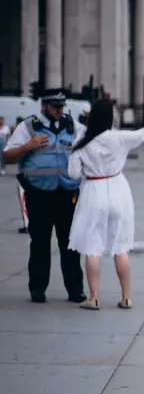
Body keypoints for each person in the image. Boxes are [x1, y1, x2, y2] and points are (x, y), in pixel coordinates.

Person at [67, 101, 144, 310]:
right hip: (117, 190)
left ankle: (94, 297)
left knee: (92, 247)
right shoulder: (120, 138)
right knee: (120, 247)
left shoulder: (81, 141)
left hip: (93, 192)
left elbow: (73, 174)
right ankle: (126, 297)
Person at [2, 90, 87, 303]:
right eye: (55, 107)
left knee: (70, 243)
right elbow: (7, 157)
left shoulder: (74, 126)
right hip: (38, 194)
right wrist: (27, 147)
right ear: (44, 107)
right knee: (39, 242)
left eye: (61, 106)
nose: (60, 110)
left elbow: (93, 147)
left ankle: (75, 290)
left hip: (67, 194)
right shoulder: (28, 127)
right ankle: (38, 289)